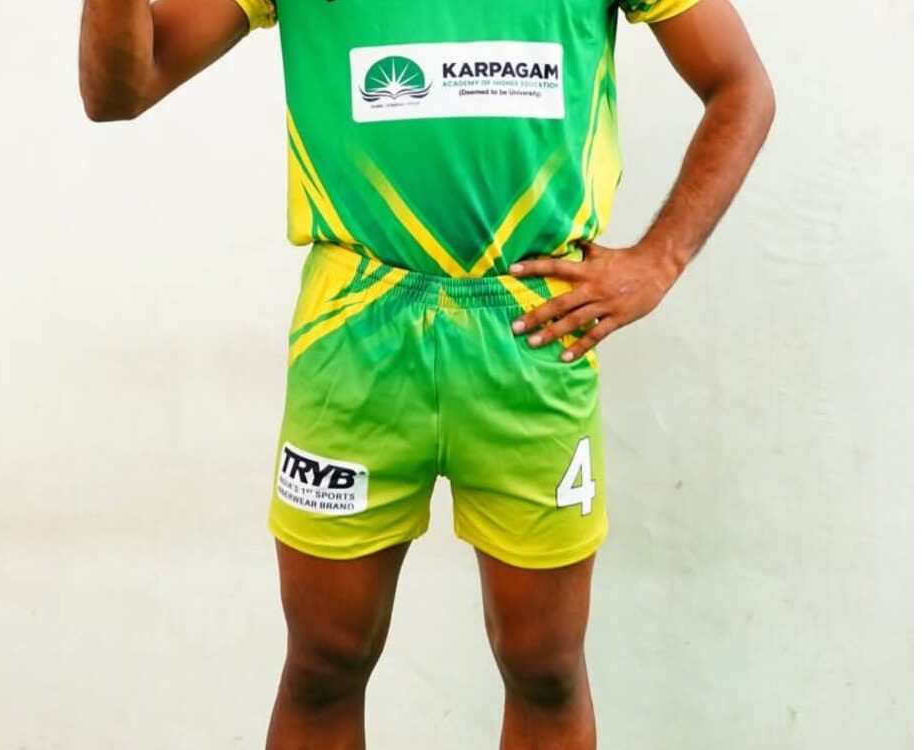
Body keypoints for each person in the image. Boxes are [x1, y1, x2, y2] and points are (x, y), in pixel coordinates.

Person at [78, 0, 774, 747]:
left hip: (532, 330)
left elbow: (741, 86)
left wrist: (659, 260)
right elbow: (122, 89)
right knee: (324, 662)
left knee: (545, 668)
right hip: (355, 331)